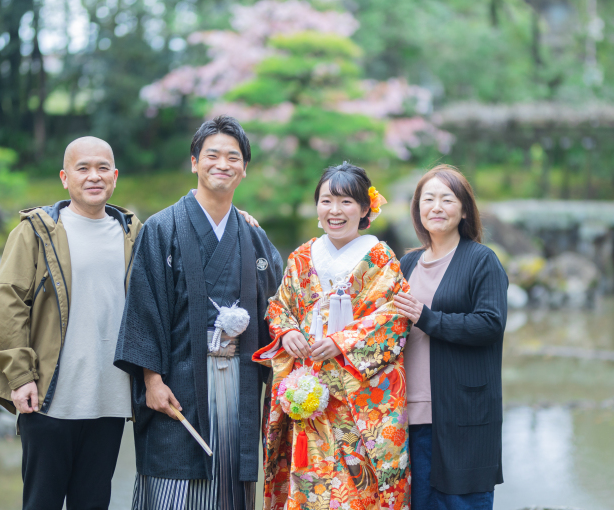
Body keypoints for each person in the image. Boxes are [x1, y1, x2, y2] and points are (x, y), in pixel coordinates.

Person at [113, 115, 283, 510]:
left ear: (244, 169)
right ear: (194, 162)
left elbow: (280, 310)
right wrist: (151, 381)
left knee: (229, 479)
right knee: (173, 481)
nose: (222, 164)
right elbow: (144, 307)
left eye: (233, 157)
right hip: (179, 378)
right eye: (213, 155)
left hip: (239, 378)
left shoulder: (253, 236)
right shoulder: (162, 228)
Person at [0, 137, 143, 510]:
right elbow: (9, 304)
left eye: (103, 168)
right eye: (83, 168)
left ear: (115, 177)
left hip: (109, 398)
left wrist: (242, 220)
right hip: (50, 397)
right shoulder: (36, 232)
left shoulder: (133, 233)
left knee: (93, 502)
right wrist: (20, 376)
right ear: (64, 177)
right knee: (42, 502)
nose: (94, 176)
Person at [253, 162, 412, 510]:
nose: (334, 211)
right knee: (307, 483)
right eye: (326, 201)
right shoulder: (301, 257)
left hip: (357, 401)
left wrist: (342, 341)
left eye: (346, 202)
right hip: (307, 394)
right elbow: (279, 306)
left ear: (366, 208)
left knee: (357, 491)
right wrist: (288, 331)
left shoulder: (381, 259)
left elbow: (394, 318)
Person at [394, 164, 508, 509]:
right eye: (428, 199)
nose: (437, 207)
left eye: (447, 198)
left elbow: (490, 324)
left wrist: (427, 318)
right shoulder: (407, 264)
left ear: (463, 210)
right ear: (418, 209)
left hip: (462, 415)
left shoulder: (481, 261)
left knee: (461, 502)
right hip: (406, 416)